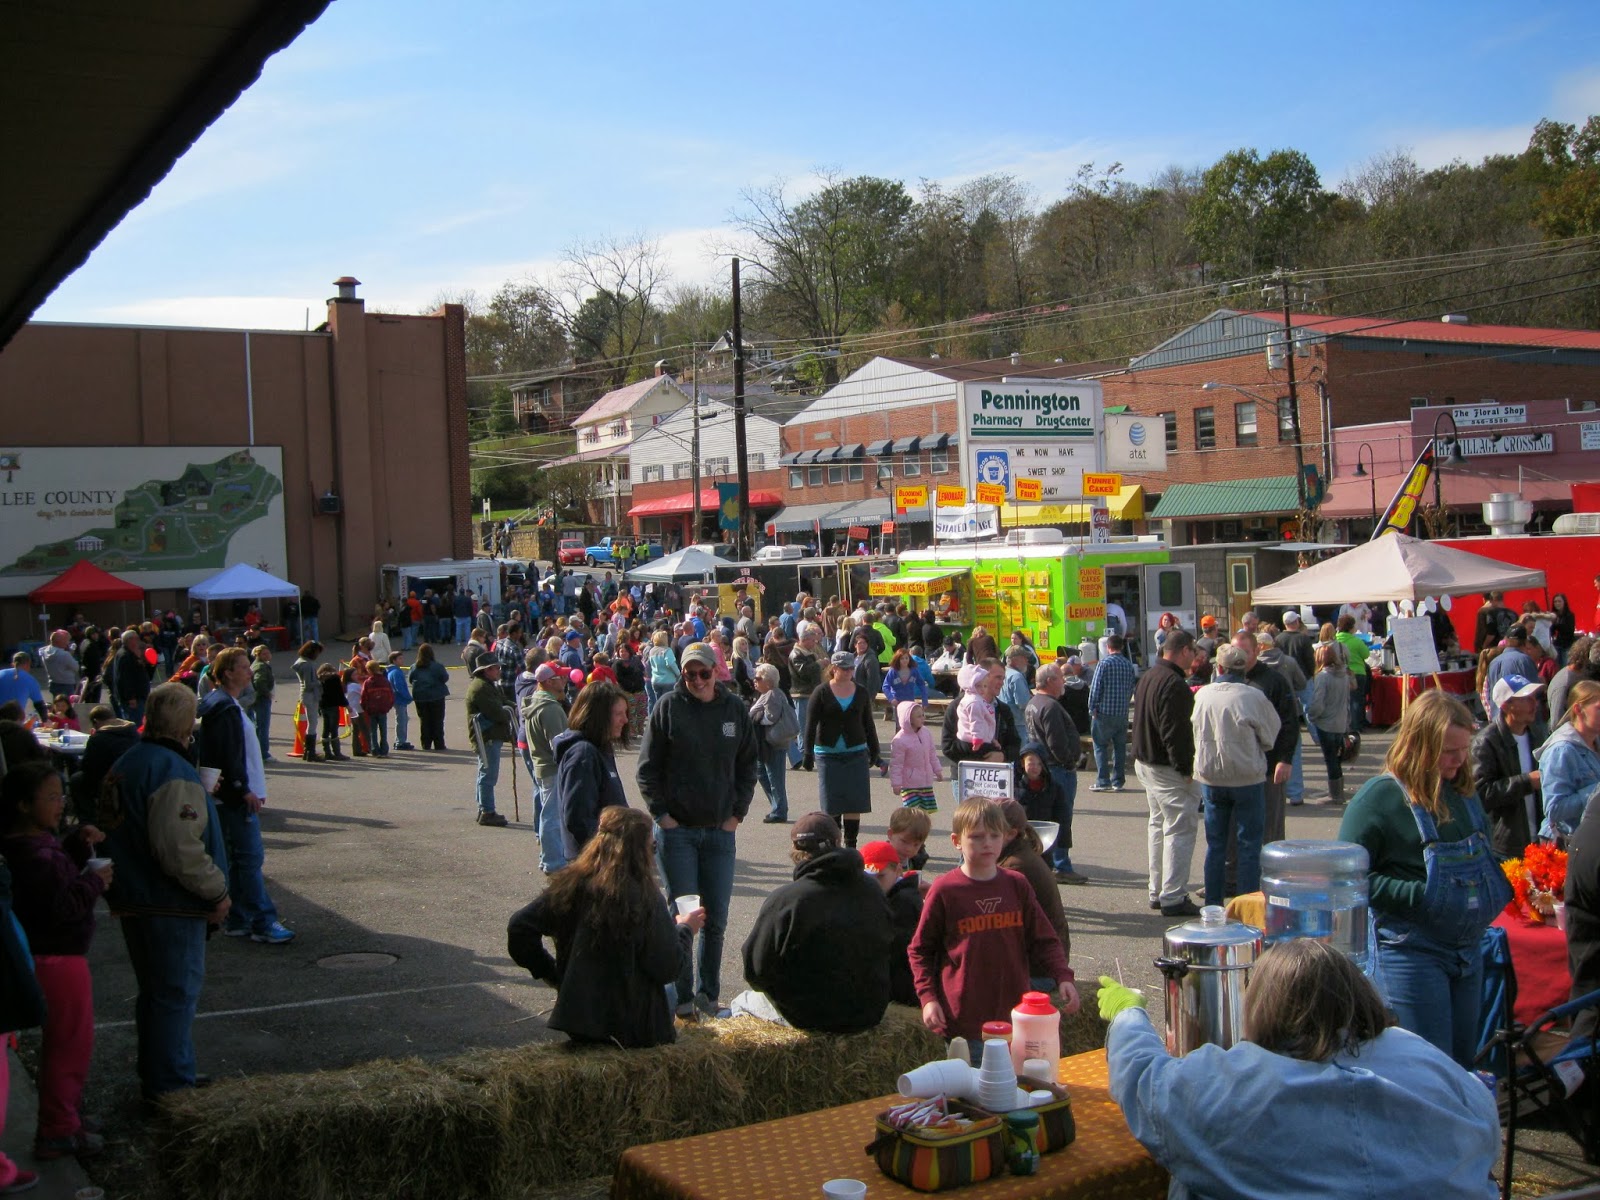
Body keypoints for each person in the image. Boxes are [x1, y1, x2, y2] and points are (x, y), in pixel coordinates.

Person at [1096, 938, 1500, 1200]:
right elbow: (1482, 1118)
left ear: (1260, 1009)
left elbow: (1144, 1081)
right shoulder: (1421, 1056)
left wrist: (1129, 1015)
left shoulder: (1235, 1083)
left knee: (1192, 1169)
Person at [1338, 690, 1510, 1067]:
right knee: (1430, 1067)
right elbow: (1348, 880)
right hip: (1412, 952)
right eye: (1450, 751)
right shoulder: (1379, 799)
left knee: (1462, 1064)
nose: (1460, 760)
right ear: (1420, 745)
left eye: (1464, 749)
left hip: (1468, 949)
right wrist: (1421, 893)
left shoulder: (1463, 791)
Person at [98, 683, 230, 1102]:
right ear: (184, 724)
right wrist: (217, 892)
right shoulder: (169, 769)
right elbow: (179, 850)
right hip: (168, 904)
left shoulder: (130, 761)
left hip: (137, 897)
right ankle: (171, 1087)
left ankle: (166, 1073)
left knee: (156, 995)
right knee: (174, 994)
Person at [507, 807, 701, 1048]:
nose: (653, 852)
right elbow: (668, 968)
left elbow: (519, 928)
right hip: (633, 1027)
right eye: (652, 846)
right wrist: (685, 930)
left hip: (581, 1018)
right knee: (670, 992)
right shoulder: (645, 897)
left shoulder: (570, 885)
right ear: (637, 851)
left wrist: (555, 975)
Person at [637, 642, 758, 1021]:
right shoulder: (667, 707)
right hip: (679, 834)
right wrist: (663, 816)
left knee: (717, 920)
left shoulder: (734, 708)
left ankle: (709, 994)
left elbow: (748, 766)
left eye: (703, 673)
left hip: (720, 832)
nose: (697, 680)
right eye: (690, 674)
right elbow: (647, 769)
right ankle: (683, 998)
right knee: (686, 916)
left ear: (716, 670)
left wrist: (736, 815)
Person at [0, 761, 111, 1160]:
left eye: (60, 795)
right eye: (50, 797)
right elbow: (62, 905)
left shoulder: (28, 844)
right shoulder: (34, 855)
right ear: (23, 805)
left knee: (67, 1044)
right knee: (69, 1044)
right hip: (57, 960)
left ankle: (64, 1117)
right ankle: (59, 1129)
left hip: (46, 956)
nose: (60, 803)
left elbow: (55, 876)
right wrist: (94, 881)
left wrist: (76, 846)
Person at [909, 798, 1078, 1046]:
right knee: (971, 1082)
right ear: (957, 841)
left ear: (1006, 836)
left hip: (1013, 1015)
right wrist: (928, 998)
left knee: (1015, 1081)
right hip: (964, 1019)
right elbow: (920, 949)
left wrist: (1063, 976)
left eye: (994, 836)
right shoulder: (946, 890)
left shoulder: (1016, 884)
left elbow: (1044, 938)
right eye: (976, 837)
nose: (987, 843)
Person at [736, 812, 894, 1033]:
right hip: (870, 1011)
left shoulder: (787, 900)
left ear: (796, 851)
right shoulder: (872, 890)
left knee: (740, 1002)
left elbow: (756, 970)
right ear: (838, 842)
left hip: (812, 1017)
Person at [195, 647, 293, 945]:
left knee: (239, 860)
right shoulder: (223, 707)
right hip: (235, 798)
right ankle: (263, 920)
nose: (249, 671)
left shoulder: (225, 704)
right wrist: (243, 789)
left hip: (232, 795)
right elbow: (227, 756)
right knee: (249, 859)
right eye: (243, 667)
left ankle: (239, 918)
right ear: (228, 673)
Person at [1192, 644, 1281, 907]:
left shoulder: (1203, 695)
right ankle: (1246, 905)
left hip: (1211, 776)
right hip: (1246, 777)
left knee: (1216, 844)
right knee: (1249, 845)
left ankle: (1213, 903)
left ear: (1219, 667)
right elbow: (1270, 735)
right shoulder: (1253, 696)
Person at [1132, 629, 1202, 917]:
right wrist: (1186, 769)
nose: (1196, 658)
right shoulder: (1174, 684)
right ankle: (1172, 895)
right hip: (1165, 766)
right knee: (1179, 828)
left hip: (1146, 763)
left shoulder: (1150, 675)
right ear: (1184, 650)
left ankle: (1157, 888)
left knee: (1158, 825)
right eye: (1194, 652)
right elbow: (1176, 733)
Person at [803, 650, 882, 850]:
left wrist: (875, 750)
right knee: (832, 802)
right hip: (828, 753)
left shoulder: (861, 692)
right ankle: (834, 843)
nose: (848, 672)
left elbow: (868, 723)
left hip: (856, 751)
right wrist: (807, 753)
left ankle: (851, 845)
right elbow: (810, 724)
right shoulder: (821, 692)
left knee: (854, 801)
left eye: (851, 668)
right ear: (833, 669)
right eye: (844, 668)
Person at [552, 680, 630, 862]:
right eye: (619, 714)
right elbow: (578, 818)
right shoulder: (583, 754)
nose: (625, 720)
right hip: (595, 861)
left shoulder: (600, 748)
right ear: (599, 716)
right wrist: (606, 851)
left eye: (625, 713)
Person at [1234, 630, 1300, 845]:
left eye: (1245, 652)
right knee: (1241, 828)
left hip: (1270, 764)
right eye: (1236, 652)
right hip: (1239, 765)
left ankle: (1272, 871)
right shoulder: (1228, 680)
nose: (1240, 657)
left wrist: (1285, 759)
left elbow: (1289, 721)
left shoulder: (1274, 681)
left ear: (1256, 650)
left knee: (1270, 826)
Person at [1472, 674, 1548, 856]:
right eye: (1526, 699)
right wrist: (1527, 782)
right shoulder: (1486, 742)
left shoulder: (1537, 734)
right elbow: (1480, 794)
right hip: (1506, 846)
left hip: (1538, 839)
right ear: (1506, 705)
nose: (1534, 704)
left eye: (1534, 697)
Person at [996, 798, 1072, 978]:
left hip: (1038, 971)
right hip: (1044, 963)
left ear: (1010, 833)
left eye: (989, 830)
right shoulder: (1018, 853)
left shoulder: (1016, 866)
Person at [1025, 663, 1084, 885]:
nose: (1064, 682)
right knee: (1061, 817)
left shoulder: (1034, 703)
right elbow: (1056, 743)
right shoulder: (1049, 706)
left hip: (1046, 767)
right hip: (1057, 769)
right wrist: (1070, 760)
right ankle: (1062, 865)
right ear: (1050, 681)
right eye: (1060, 677)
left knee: (1050, 817)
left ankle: (1053, 862)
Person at [523, 663, 572, 872]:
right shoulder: (550, 708)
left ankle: (550, 858)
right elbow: (558, 744)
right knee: (552, 816)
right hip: (553, 767)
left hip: (544, 766)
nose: (565, 680)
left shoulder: (538, 702)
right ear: (550, 682)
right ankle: (553, 862)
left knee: (549, 813)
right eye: (561, 677)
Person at [1538, 679, 1600, 840]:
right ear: (1579, 709)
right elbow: (1554, 809)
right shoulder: (1561, 750)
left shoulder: (1595, 740)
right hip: (1570, 843)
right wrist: (1596, 792)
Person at [466, 659, 515, 828]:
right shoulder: (481, 688)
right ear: (487, 670)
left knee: (485, 773)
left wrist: (513, 707)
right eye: (496, 668)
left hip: (490, 735)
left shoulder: (487, 685)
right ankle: (487, 811)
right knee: (488, 774)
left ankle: (484, 808)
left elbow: (503, 701)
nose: (499, 671)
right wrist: (510, 712)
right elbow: (497, 712)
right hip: (487, 735)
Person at [1087, 635, 1136, 792]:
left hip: (1104, 712)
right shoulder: (1128, 665)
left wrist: (1092, 707)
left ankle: (1103, 780)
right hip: (1121, 712)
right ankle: (1118, 781)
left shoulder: (1104, 664)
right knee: (1119, 747)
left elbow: (1096, 688)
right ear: (1121, 647)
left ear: (1108, 647)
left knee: (1100, 745)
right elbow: (1131, 688)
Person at [1304, 642, 1352, 804]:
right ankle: (1337, 791)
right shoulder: (1344, 675)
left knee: (1330, 759)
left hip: (1326, 723)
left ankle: (1335, 795)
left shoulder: (1322, 677)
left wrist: (1311, 715)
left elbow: (1318, 703)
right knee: (1336, 758)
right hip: (1340, 721)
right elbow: (1347, 700)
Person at [749, 663, 797, 825]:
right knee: (762, 774)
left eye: (758, 678)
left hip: (773, 743)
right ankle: (776, 807)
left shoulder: (773, 694)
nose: (754, 681)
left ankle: (779, 810)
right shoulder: (766, 694)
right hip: (764, 743)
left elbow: (770, 717)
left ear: (768, 681)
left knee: (775, 778)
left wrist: (754, 717)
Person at [889, 700, 942, 814]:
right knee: (912, 813)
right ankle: (912, 831)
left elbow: (932, 753)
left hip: (926, 781)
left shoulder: (926, 733)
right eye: (919, 716)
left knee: (926, 812)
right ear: (908, 719)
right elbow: (896, 764)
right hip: (909, 784)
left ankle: (923, 831)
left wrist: (937, 770)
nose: (922, 718)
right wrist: (896, 783)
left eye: (923, 715)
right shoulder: (900, 740)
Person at [1483, 625, 1538, 724]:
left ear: (1506, 640)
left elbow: (1489, 694)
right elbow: (1533, 694)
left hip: (1497, 720)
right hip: (1518, 721)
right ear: (1525, 642)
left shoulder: (1493, 662)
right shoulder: (1525, 660)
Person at [409, 643, 450, 752]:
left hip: (420, 696)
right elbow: (445, 677)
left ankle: (426, 743)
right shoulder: (437, 666)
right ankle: (439, 743)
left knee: (424, 720)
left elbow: (410, 679)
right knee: (438, 720)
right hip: (436, 695)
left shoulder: (414, 667)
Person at [1334, 615, 1371, 732]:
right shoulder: (1356, 641)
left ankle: (1344, 725)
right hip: (1358, 673)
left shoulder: (1334, 641)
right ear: (1351, 627)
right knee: (1357, 700)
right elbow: (1366, 655)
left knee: (1341, 700)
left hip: (1339, 673)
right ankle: (1356, 726)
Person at [106, 631, 152, 724]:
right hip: (133, 700)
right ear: (130, 640)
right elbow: (125, 679)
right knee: (135, 724)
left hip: (137, 697)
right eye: (136, 639)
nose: (138, 641)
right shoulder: (125, 656)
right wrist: (131, 697)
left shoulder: (129, 654)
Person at [291, 641, 324, 761]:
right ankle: (310, 752)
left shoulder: (300, 662)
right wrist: (320, 681)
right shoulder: (308, 665)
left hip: (305, 695)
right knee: (312, 723)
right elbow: (308, 684)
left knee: (311, 723)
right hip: (310, 695)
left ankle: (308, 751)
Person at [359, 659, 395, 758]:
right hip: (383, 709)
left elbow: (363, 697)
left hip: (371, 710)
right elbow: (390, 695)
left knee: (373, 731)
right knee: (383, 730)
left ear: (369, 670)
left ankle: (375, 749)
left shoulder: (367, 682)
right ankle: (384, 749)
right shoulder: (385, 681)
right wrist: (388, 706)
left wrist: (365, 707)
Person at [0, 652, 47, 724]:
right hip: (15, 720)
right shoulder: (30, 680)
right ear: (28, 663)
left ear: (13, 663)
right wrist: (45, 720)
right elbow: (39, 704)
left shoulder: (1, 673)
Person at [248, 645, 275, 762]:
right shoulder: (261, 666)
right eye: (264, 654)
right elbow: (259, 681)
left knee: (257, 726)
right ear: (257, 655)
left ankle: (259, 752)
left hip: (256, 698)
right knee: (263, 726)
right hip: (261, 699)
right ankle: (264, 753)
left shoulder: (256, 665)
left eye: (268, 653)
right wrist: (266, 693)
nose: (267, 655)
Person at [386, 652, 414, 750]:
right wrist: (408, 697)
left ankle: (400, 740)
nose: (402, 660)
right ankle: (400, 741)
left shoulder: (392, 671)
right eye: (400, 659)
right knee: (401, 720)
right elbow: (399, 687)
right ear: (394, 660)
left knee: (402, 719)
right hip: (400, 699)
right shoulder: (396, 672)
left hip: (396, 699)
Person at [39, 631, 79, 701]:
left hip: (53, 683)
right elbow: (76, 667)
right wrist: (71, 655)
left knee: (57, 704)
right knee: (67, 706)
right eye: (65, 641)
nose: (67, 643)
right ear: (59, 642)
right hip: (66, 684)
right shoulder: (64, 655)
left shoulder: (44, 651)